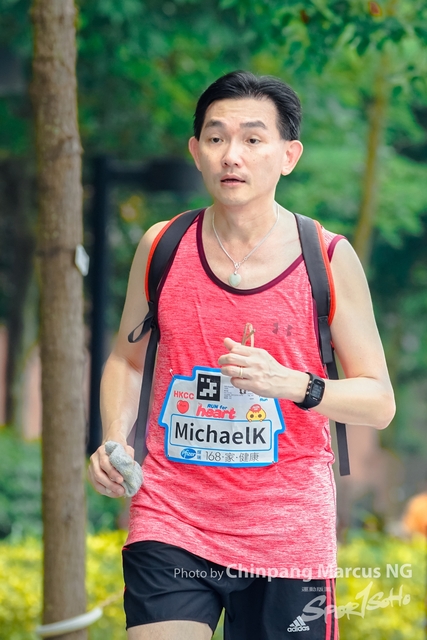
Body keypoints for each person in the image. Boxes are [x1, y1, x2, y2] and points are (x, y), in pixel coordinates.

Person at [88, 70, 395, 640]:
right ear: (196, 151)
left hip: (287, 532)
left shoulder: (326, 258)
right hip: (172, 518)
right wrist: (113, 438)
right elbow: (126, 361)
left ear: (288, 156)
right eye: (216, 138)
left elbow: (379, 402)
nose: (232, 155)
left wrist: (294, 384)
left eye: (253, 139)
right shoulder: (162, 246)